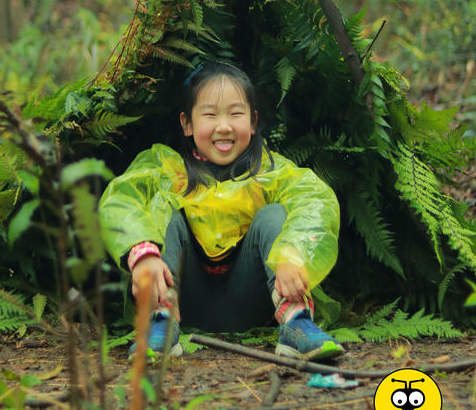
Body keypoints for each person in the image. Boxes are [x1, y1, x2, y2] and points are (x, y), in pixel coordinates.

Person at [99, 61, 343, 361]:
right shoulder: (166, 170)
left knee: (274, 216)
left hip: (252, 302)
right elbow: (121, 201)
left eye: (236, 113)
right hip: (183, 301)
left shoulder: (270, 173)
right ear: (187, 123)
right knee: (164, 209)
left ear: (253, 122)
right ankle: (159, 325)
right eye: (210, 114)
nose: (224, 126)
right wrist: (142, 255)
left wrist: (293, 255)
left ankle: (297, 325)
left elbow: (314, 201)